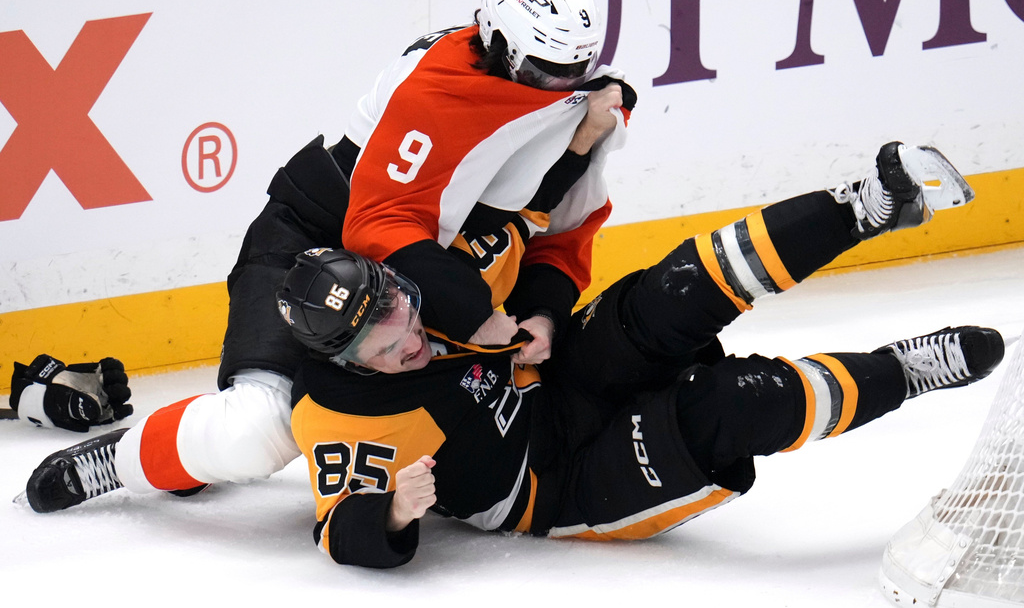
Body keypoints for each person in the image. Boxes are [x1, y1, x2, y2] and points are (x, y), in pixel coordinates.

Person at [28, 143, 1006, 572]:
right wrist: (393, 514)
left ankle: (864, 202)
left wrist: (539, 305)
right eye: (383, 340)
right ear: (348, 358)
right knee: (733, 406)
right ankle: (899, 369)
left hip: (565, 371)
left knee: (678, 285)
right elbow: (346, 537)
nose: (408, 330)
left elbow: (530, 237)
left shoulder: (422, 284)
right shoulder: (343, 414)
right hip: (562, 480)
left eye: (399, 304)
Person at [17, 0, 635, 500]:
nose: (560, 88)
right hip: (314, 243)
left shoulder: (576, 109)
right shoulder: (436, 88)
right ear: (498, 42)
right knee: (257, 429)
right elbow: (377, 224)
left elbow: (563, 232)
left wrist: (545, 313)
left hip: (412, 280)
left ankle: (194, 441)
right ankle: (126, 459)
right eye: (543, 71)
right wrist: (476, 316)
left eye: (574, 69)